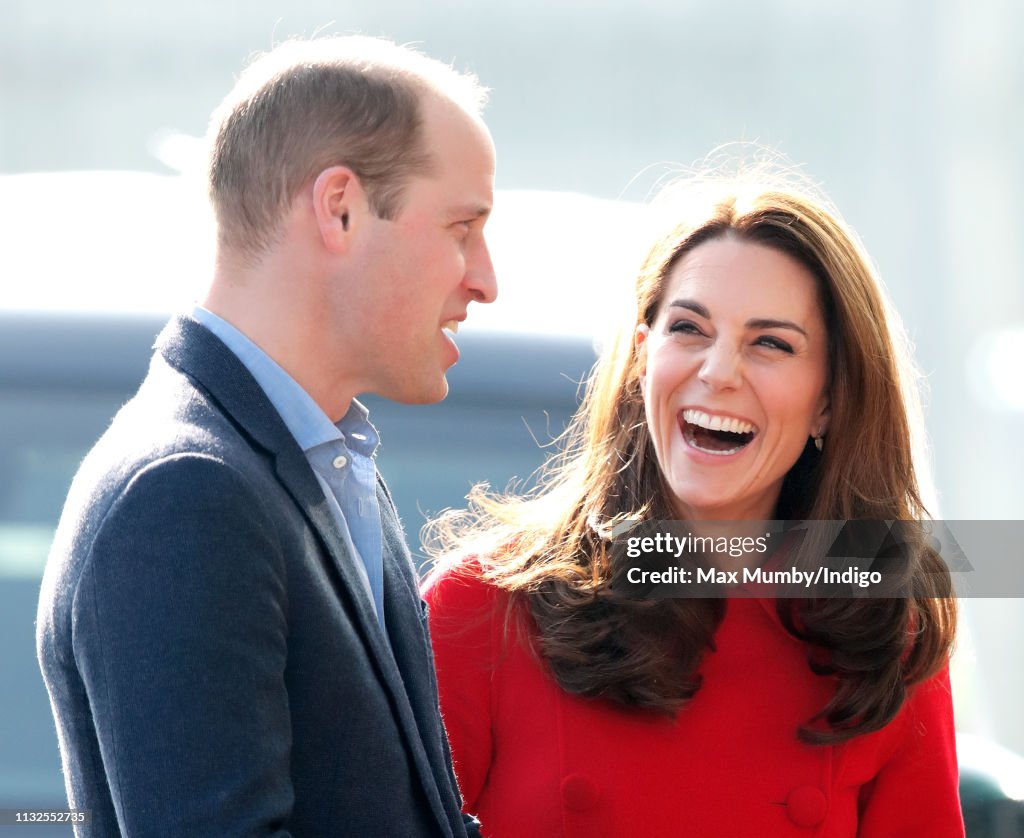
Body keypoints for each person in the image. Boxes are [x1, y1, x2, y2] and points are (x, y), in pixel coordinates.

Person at [37, 36, 496, 836]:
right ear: (340, 208)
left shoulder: (327, 466)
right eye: (463, 228)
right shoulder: (184, 492)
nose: (486, 279)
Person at [422, 174, 962, 836]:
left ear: (829, 400)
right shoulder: (481, 608)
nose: (718, 371)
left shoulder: (885, 634)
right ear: (643, 358)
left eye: (771, 343)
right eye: (689, 328)